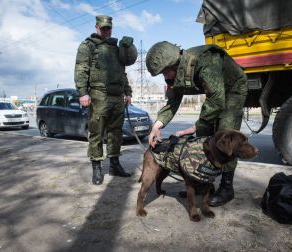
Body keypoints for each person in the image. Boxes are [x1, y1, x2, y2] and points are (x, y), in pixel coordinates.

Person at [145, 41, 248, 206]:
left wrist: (194, 127)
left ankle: (227, 188)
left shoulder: (205, 61)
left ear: (175, 65)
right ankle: (201, 183)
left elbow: (217, 99)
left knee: (224, 137)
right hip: (216, 94)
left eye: (165, 72)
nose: (164, 77)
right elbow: (173, 101)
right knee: (202, 139)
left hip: (232, 91)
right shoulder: (174, 73)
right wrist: (157, 125)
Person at [74, 15, 136, 185]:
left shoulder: (116, 48)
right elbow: (81, 70)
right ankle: (97, 167)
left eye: (109, 28)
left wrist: (128, 92)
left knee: (115, 132)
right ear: (96, 27)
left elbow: (122, 73)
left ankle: (115, 165)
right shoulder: (87, 46)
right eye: (103, 28)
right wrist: (82, 93)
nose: (106, 31)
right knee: (96, 132)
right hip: (98, 95)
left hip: (117, 97)